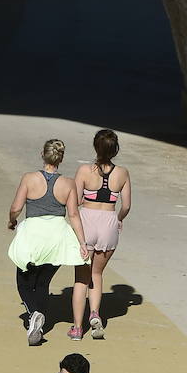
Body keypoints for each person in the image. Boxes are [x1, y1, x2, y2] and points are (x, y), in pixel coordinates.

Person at [8, 139, 90, 346]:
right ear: (61, 158)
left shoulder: (29, 178)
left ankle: (34, 314)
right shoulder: (69, 184)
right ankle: (38, 321)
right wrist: (82, 243)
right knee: (43, 282)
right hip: (57, 237)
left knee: (23, 280)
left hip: (33, 234)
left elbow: (16, 207)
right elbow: (73, 215)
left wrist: (12, 220)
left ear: (42, 155)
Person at [70, 128, 132, 340]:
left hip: (87, 220)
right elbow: (126, 206)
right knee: (96, 274)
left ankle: (77, 328)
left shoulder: (84, 171)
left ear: (95, 147)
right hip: (108, 222)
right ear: (115, 150)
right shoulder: (122, 173)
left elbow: (76, 201)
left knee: (81, 278)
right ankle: (95, 314)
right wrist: (119, 219)